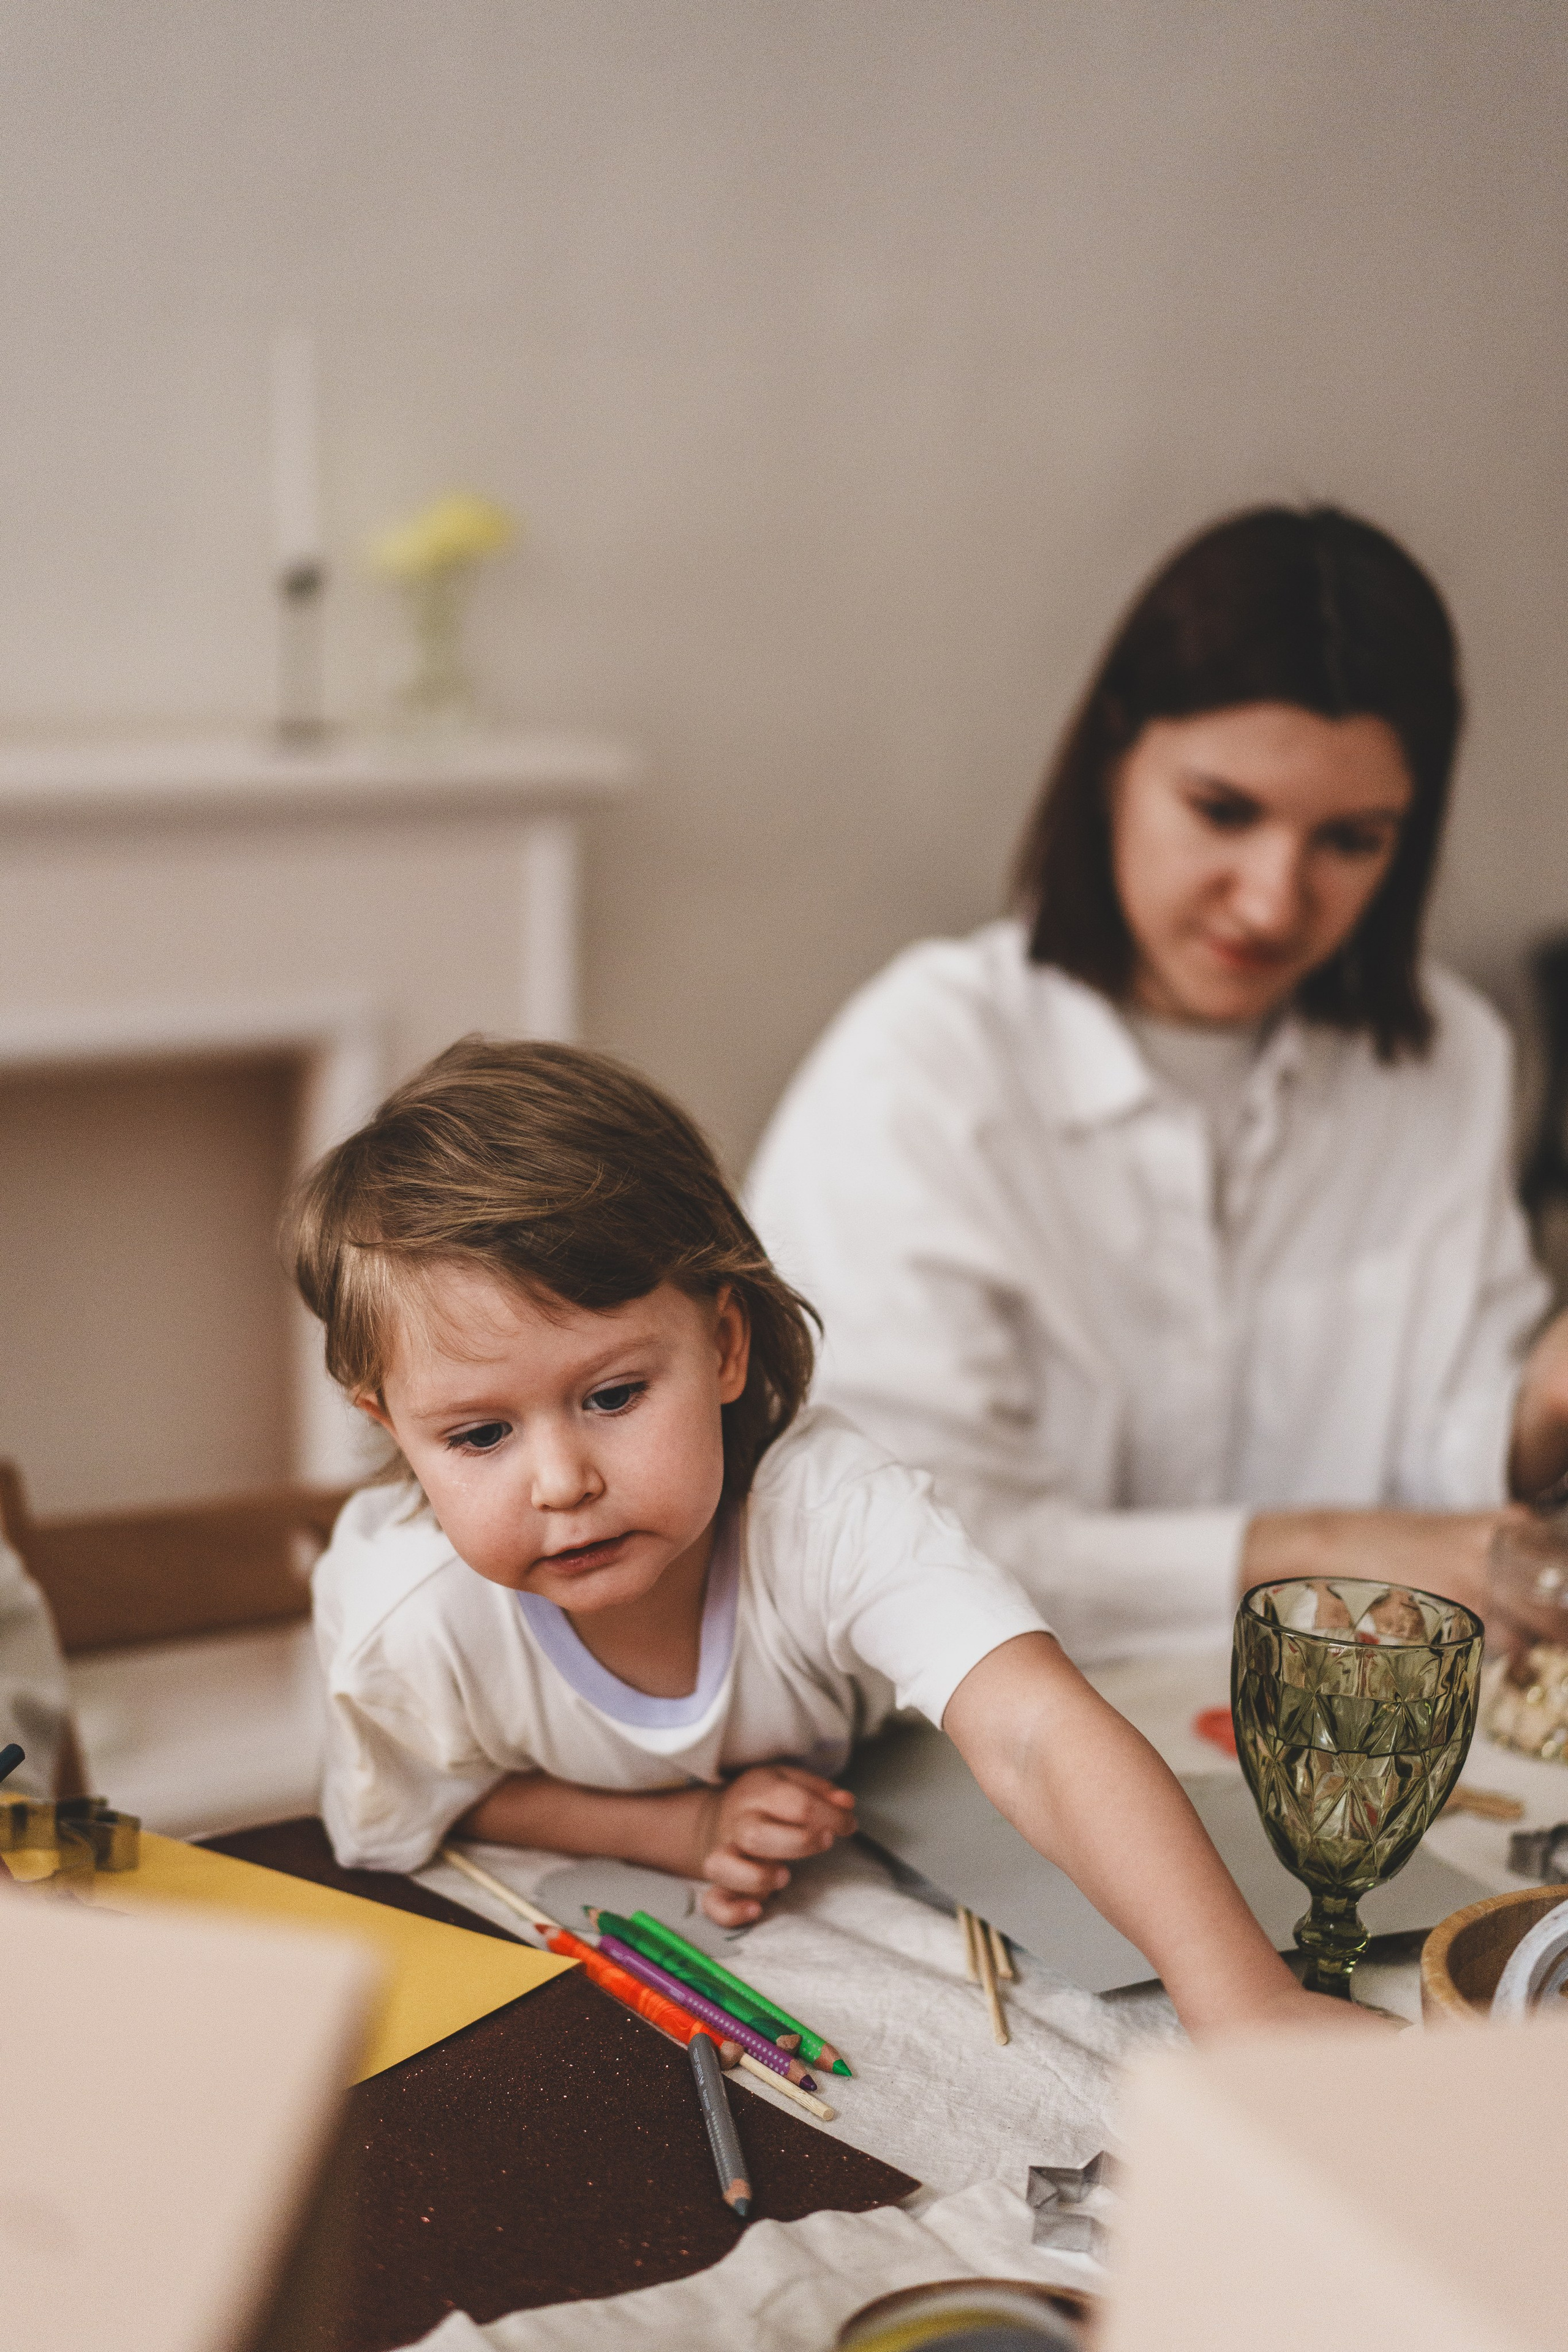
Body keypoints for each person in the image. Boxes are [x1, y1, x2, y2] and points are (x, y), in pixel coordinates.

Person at [292, 1035, 1373, 2038]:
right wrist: (682, 1831)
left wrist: (1244, 1999)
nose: (563, 1481)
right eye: (480, 1434)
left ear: (724, 1344)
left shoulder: (829, 1508)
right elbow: (410, 1810)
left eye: (615, 1396)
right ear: (390, 1426)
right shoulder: (408, 1620)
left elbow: (1038, 1736)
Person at [747, 504, 1568, 1664]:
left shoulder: (1445, 1059)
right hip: (974, 1746)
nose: (1276, 900)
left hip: (1343, 1737)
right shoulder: (924, 1065)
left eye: (1352, 840)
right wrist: (1308, 1546)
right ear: (1112, 758)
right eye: (1223, 813)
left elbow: (1449, 1473)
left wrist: (1542, 1402)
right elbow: (890, 1550)